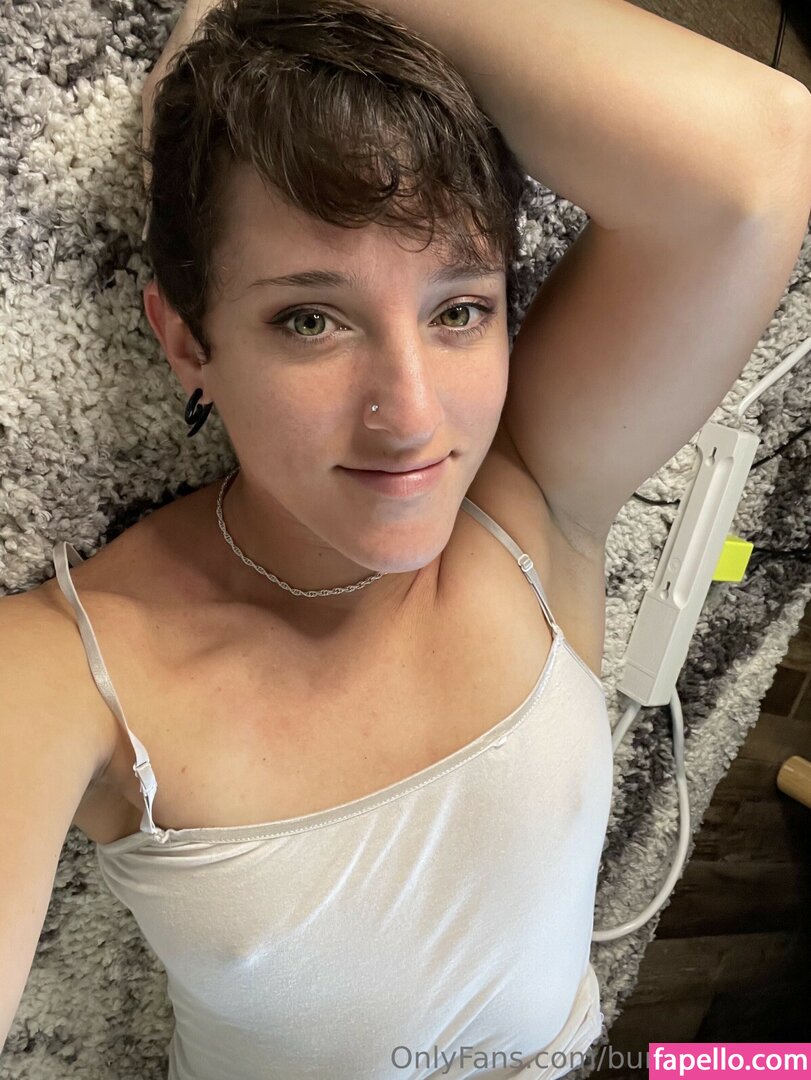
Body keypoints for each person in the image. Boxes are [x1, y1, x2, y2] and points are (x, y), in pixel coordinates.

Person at [6, 0, 804, 1074]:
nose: (415, 419)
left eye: (457, 310)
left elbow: (754, 159)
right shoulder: (63, 670)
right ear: (187, 340)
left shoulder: (530, 493)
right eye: (309, 319)